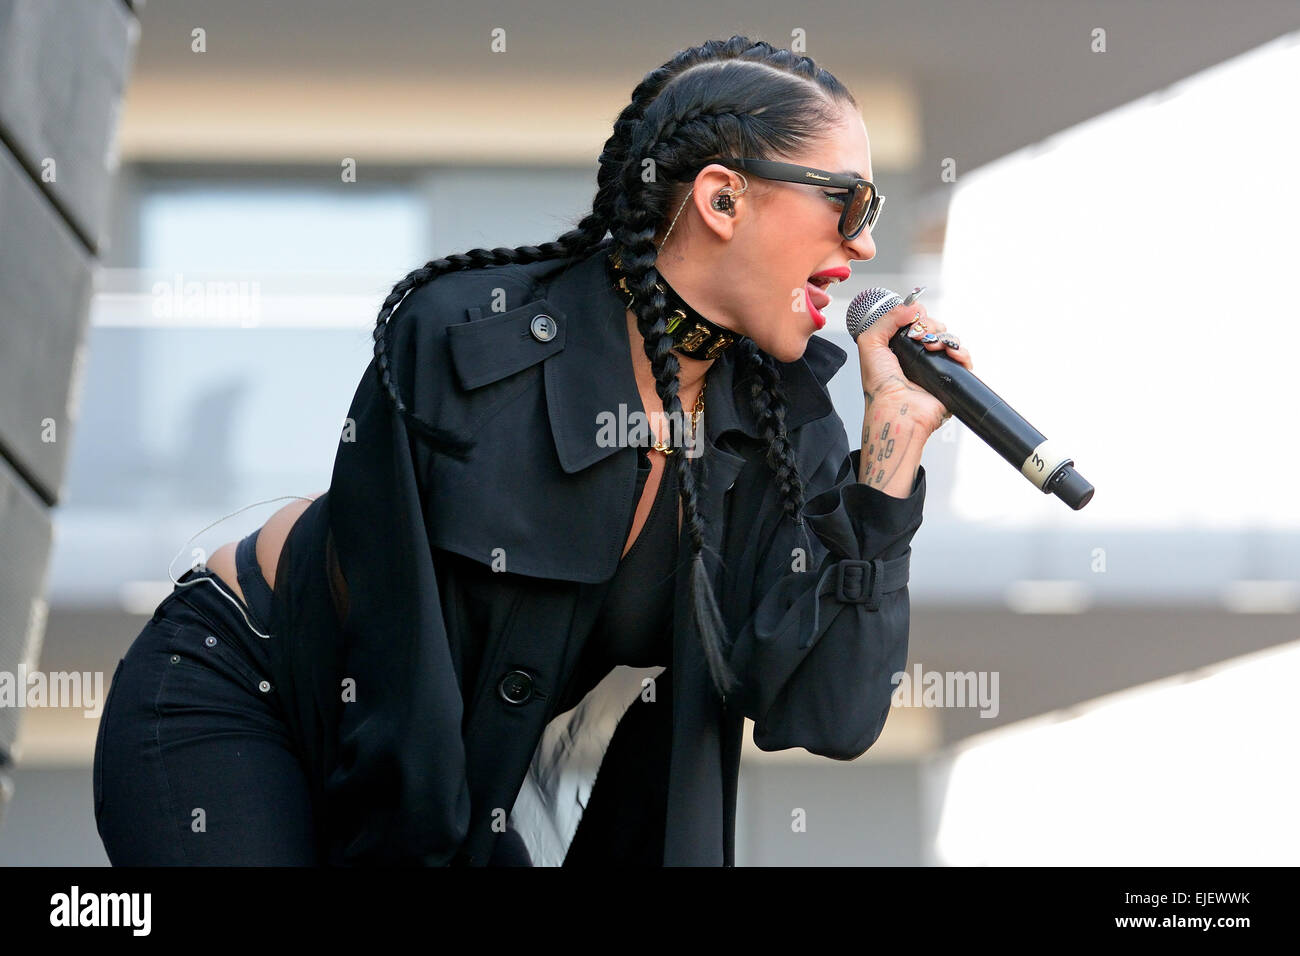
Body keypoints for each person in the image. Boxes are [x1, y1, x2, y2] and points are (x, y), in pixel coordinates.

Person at [93, 34, 974, 867]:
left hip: (447, 796)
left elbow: (831, 712)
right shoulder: (475, 343)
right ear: (722, 198)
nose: (861, 244)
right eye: (845, 202)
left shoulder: (783, 420)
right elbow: (405, 695)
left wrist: (889, 454)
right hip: (245, 701)